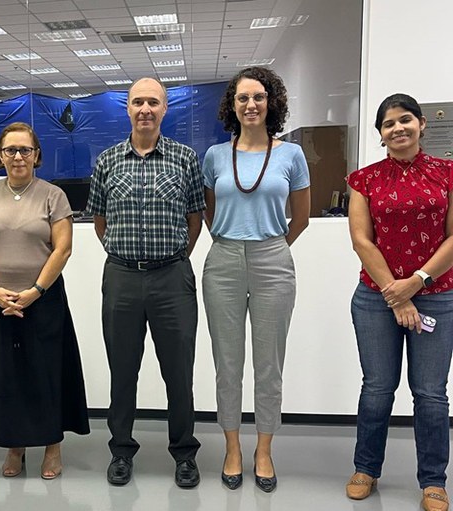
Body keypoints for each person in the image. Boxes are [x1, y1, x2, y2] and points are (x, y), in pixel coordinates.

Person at [86, 77, 205, 488]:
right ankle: (121, 451)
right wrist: (128, 255)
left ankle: (185, 454)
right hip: (121, 276)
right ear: (127, 108)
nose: (145, 109)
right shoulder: (107, 161)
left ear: (165, 109)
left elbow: (195, 219)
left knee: (179, 371)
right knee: (123, 370)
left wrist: (173, 258)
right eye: (138, 102)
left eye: (153, 102)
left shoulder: (186, 158)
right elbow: (99, 221)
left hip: (172, 277)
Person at [201, 67, 310, 492]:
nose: (251, 105)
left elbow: (299, 218)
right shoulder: (214, 155)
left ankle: (264, 449)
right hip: (224, 260)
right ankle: (232, 447)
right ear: (232, 105)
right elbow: (210, 211)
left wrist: (270, 246)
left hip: (272, 258)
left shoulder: (291, 155)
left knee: (269, 365)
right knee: (227, 365)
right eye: (243, 98)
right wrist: (234, 239)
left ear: (272, 103)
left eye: (259, 97)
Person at [346, 93, 453, 511]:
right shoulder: (364, 179)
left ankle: (433, 481)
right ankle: (366, 469)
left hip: (438, 297)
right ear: (380, 135)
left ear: (422, 124)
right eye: (388, 124)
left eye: (405, 120)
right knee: (377, 388)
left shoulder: (447, 174)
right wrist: (396, 293)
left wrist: (418, 282)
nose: (398, 129)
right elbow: (361, 240)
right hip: (376, 298)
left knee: (430, 393)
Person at [0, 121, 89, 480]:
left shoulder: (53, 196)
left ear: (37, 156)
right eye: (11, 150)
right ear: (0, 156)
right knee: (5, 376)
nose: (18, 156)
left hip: (44, 299)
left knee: (46, 373)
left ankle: (52, 446)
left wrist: (34, 291)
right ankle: (14, 446)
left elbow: (62, 248)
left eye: (25, 150)